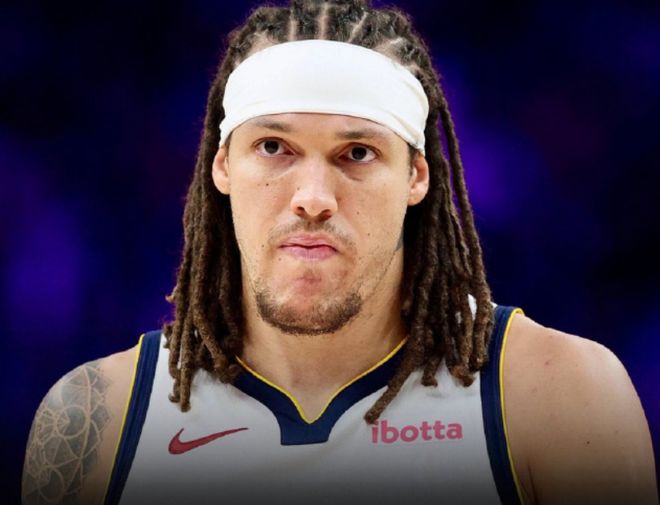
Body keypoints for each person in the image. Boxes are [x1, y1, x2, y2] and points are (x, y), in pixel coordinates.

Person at [22, 1, 658, 504]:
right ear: (223, 166)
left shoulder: (557, 397)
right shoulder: (98, 421)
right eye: (274, 147)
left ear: (416, 176)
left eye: (357, 153)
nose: (313, 198)